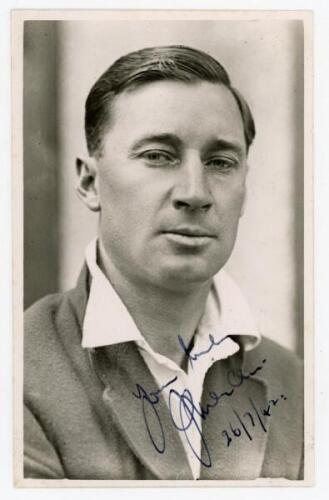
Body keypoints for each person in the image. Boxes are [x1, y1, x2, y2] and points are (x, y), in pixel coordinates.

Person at [24, 45, 303, 480]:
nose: (196, 192)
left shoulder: (297, 383)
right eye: (158, 155)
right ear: (89, 181)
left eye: (220, 162)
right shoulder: (18, 371)